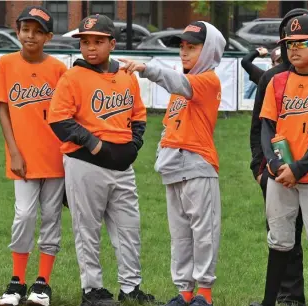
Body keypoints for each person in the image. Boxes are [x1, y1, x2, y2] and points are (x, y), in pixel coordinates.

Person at [48, 14, 156, 306]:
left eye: (98, 41)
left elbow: (139, 115)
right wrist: (94, 145)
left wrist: (134, 144)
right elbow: (58, 120)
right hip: (85, 164)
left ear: (112, 43)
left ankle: (131, 288)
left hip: (122, 164)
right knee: (88, 229)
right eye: (85, 42)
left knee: (129, 228)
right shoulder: (72, 77)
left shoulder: (126, 75)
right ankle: (92, 290)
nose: (91, 48)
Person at [120, 20, 225, 306]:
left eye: (192, 47)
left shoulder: (206, 80)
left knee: (203, 233)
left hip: (198, 165)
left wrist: (145, 68)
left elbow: (177, 81)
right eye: (182, 47)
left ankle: (204, 292)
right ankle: (184, 291)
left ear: (208, 51)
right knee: (180, 236)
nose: (184, 52)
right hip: (173, 168)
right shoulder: (186, 86)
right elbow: (170, 125)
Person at [249, 9, 308, 306]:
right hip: (281, 175)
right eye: (290, 43)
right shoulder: (277, 80)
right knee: (279, 240)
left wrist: (299, 169)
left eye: (301, 43)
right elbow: (266, 126)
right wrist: (276, 165)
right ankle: (271, 302)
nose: (293, 48)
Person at [0, 6, 67, 306]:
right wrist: (14, 152)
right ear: (17, 31)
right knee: (23, 215)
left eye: (37, 30)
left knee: (51, 219)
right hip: (22, 158)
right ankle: (17, 281)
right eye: (25, 29)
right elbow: (3, 110)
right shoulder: (6, 64)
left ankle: (42, 283)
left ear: (48, 36)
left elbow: (68, 113)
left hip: (56, 157)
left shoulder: (59, 69)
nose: (30, 35)